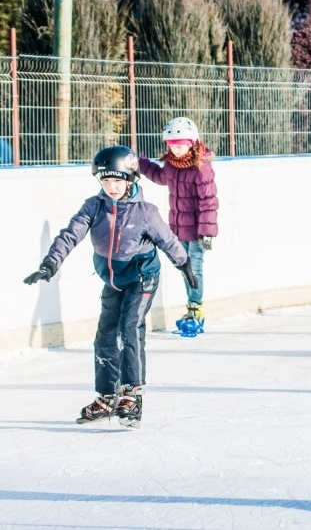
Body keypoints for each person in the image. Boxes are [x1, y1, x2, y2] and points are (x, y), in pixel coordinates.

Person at [22, 145, 197, 426]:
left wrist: (185, 265)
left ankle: (131, 393)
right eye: (106, 181)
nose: (112, 187)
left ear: (131, 179)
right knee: (104, 336)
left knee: (130, 329)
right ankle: (106, 396)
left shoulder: (145, 212)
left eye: (118, 181)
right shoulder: (94, 206)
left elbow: (168, 240)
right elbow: (70, 235)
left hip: (142, 279)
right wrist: (50, 264)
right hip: (113, 282)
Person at [138, 117, 218, 330]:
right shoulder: (172, 165)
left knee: (195, 269)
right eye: (172, 145)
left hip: (198, 231)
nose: (176, 150)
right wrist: (141, 164)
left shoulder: (201, 167)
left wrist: (207, 232)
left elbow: (209, 202)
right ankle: (191, 306)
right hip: (178, 228)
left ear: (192, 142)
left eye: (181, 145)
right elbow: (159, 176)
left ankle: (196, 309)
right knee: (185, 268)